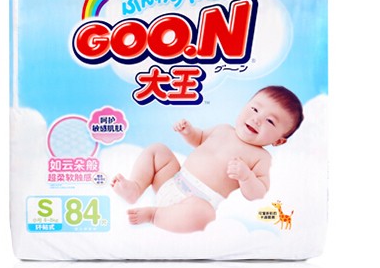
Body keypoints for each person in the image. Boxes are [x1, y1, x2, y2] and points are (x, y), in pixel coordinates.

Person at [111, 86, 303, 233]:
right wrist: (189, 132)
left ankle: (154, 215)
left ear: (279, 140)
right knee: (157, 150)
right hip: (173, 180)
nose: (257, 119)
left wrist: (246, 177)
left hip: (196, 203)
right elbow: (199, 139)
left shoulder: (262, 158)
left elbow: (258, 194)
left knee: (204, 215)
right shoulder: (223, 129)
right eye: (254, 109)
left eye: (270, 121)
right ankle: (135, 187)